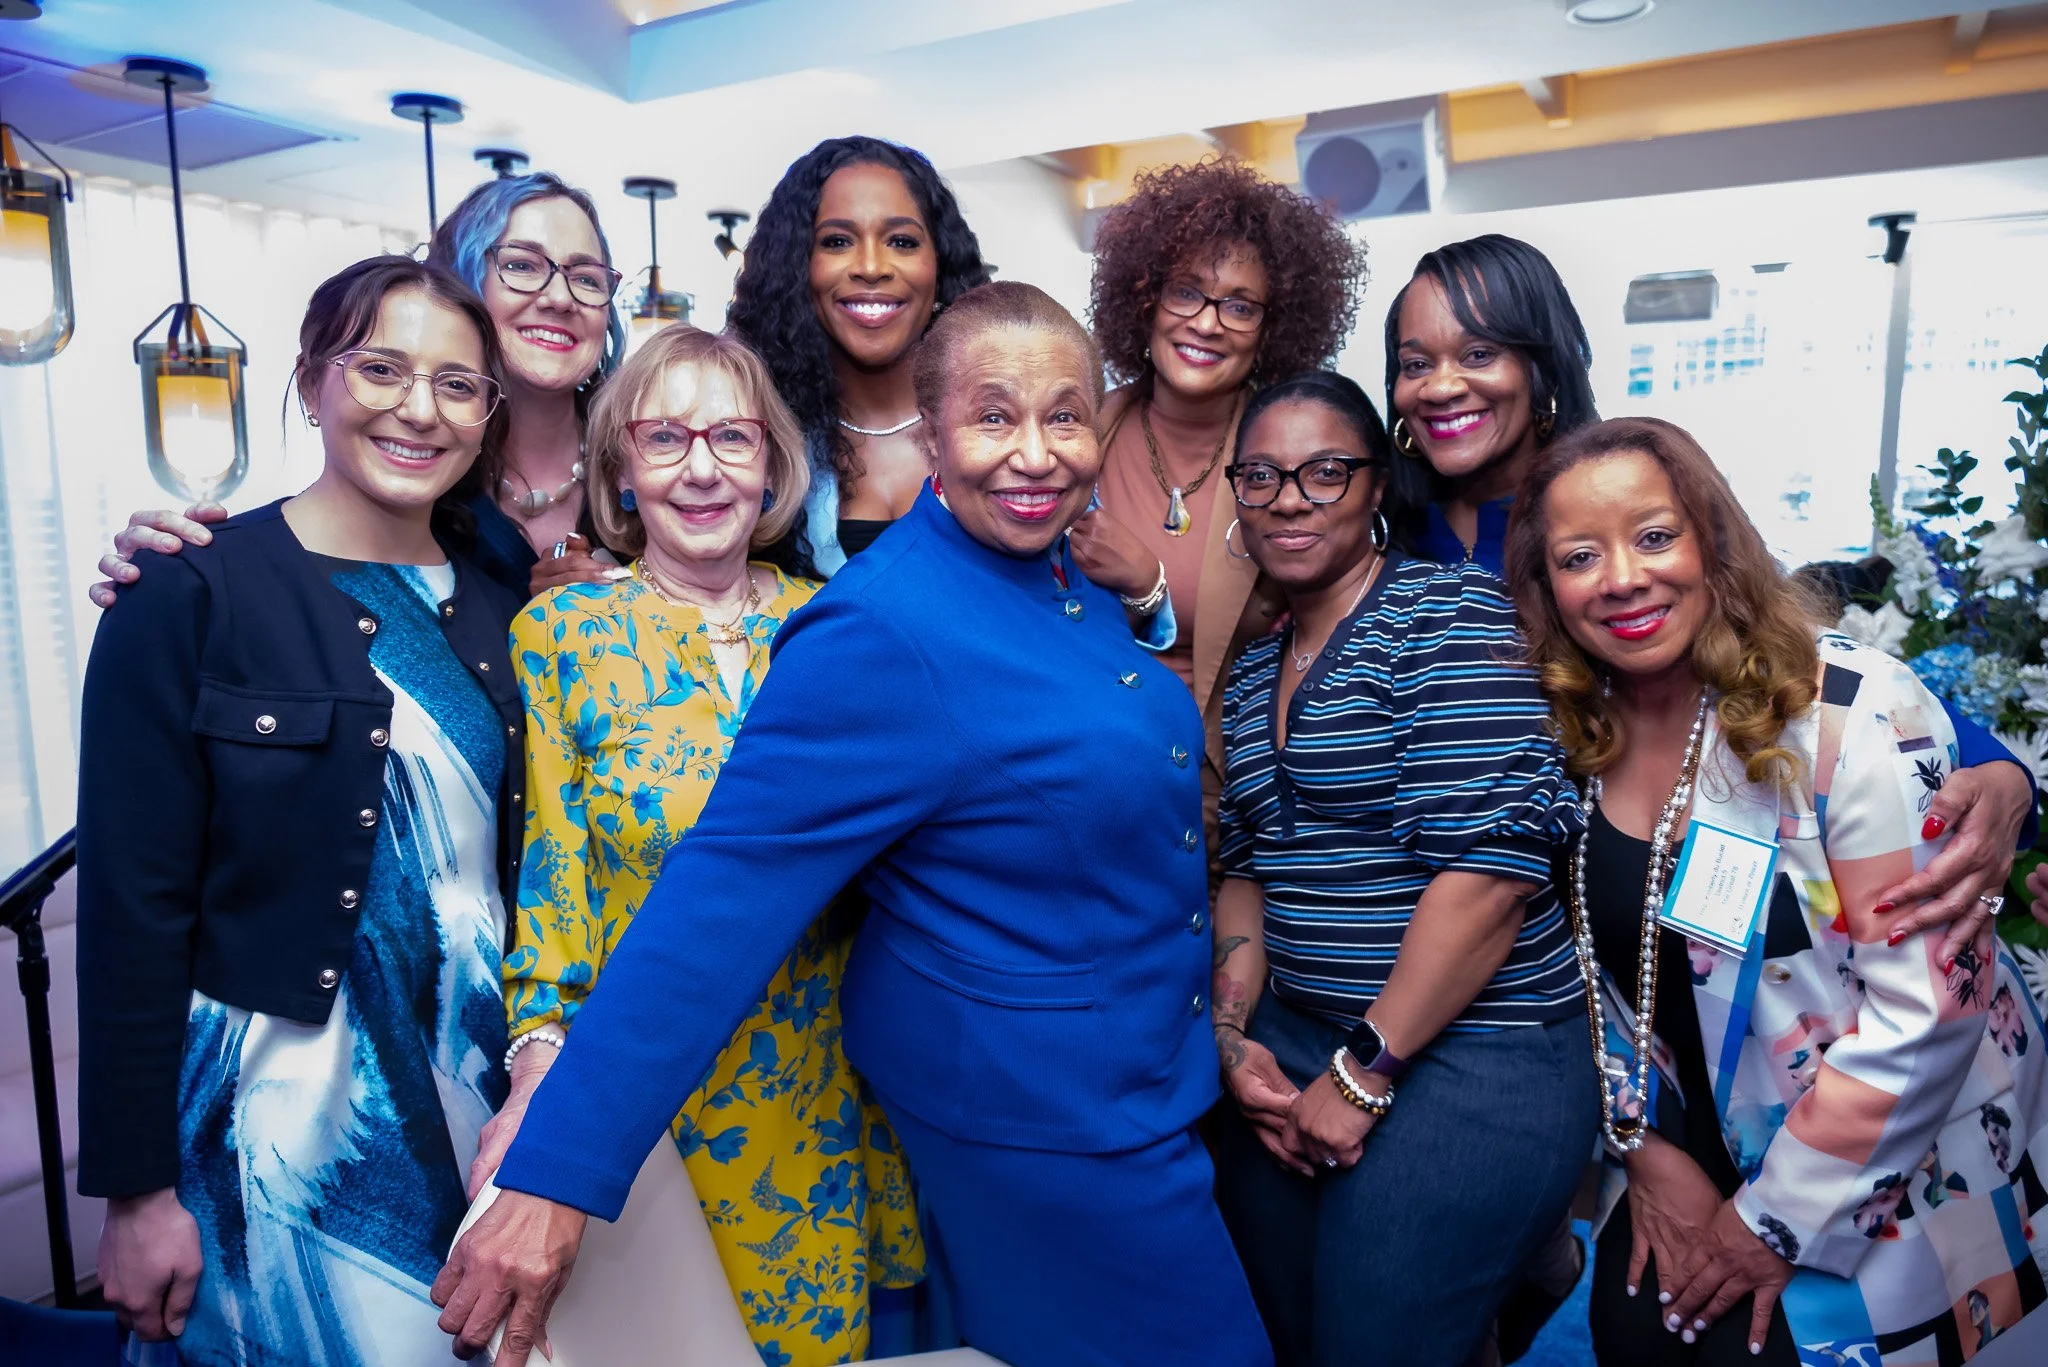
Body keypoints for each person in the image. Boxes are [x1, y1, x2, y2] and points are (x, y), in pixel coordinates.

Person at [430, 281, 1273, 1367]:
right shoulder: (880, 627)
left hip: (1135, 1081)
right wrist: (555, 1174)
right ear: (930, 434)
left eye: (1064, 416)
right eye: (993, 416)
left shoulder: (1058, 567)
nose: (1034, 453)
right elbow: (719, 900)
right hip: (1050, 1118)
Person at [1504, 415, 2048, 1366]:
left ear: (1714, 541)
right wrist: (1644, 1145)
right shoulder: (1560, 729)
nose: (1622, 577)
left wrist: (1770, 1222)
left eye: (1655, 536)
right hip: (1683, 1141)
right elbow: (1584, 968)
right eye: (1580, 556)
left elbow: (1931, 1006)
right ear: (1547, 586)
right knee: (1631, 1330)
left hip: (1894, 1165)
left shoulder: (1855, 711)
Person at [75, 256, 527, 1365]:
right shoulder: (188, 590)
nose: (418, 408)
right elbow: (132, 909)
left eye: (457, 385)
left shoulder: (506, 604)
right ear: (312, 379)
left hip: (485, 1116)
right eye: (380, 368)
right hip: (273, 1139)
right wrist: (134, 1193)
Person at [1383, 233, 2031, 973]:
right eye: (1415, 363)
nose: (1440, 386)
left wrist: (2007, 779)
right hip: (1450, 944)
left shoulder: (1632, 492)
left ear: (1541, 365)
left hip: (1648, 938)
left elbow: (1796, 660)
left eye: (1478, 353)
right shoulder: (1378, 544)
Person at [477, 323, 922, 1365]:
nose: (703, 467)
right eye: (665, 438)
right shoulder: (560, 635)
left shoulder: (841, 625)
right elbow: (553, 876)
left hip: (828, 1085)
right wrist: (539, 1068)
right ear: (620, 471)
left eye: (731, 436)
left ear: (770, 463)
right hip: (648, 1091)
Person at [1206, 370, 1598, 1366]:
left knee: (1372, 1339)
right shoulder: (1251, 668)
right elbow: (1249, 863)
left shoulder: (1447, 614)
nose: (1288, 499)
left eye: (1323, 472)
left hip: (1472, 1047)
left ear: (1377, 485)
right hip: (1301, 1031)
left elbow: (1494, 871)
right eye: (1260, 476)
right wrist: (1232, 1035)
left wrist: (1362, 1071)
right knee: (1276, 1331)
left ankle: (1533, 1266)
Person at [89, 171, 637, 604]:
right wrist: (184, 571)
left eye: (586, 278)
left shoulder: (654, 456)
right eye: (522, 265)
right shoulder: (405, 470)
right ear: (456, 287)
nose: (559, 298)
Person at [1075, 159, 1369, 865]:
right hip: (1082, 789)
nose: (1207, 323)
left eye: (1240, 306)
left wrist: (1148, 587)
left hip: (1231, 811)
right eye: (1186, 292)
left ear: (1272, 328)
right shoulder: (1078, 436)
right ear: (1144, 299)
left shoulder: (1292, 464)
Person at [725, 135, 991, 576]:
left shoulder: (1003, 423)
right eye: (837, 242)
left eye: (901, 242)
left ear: (940, 264)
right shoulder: (756, 436)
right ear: (798, 266)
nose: (871, 267)